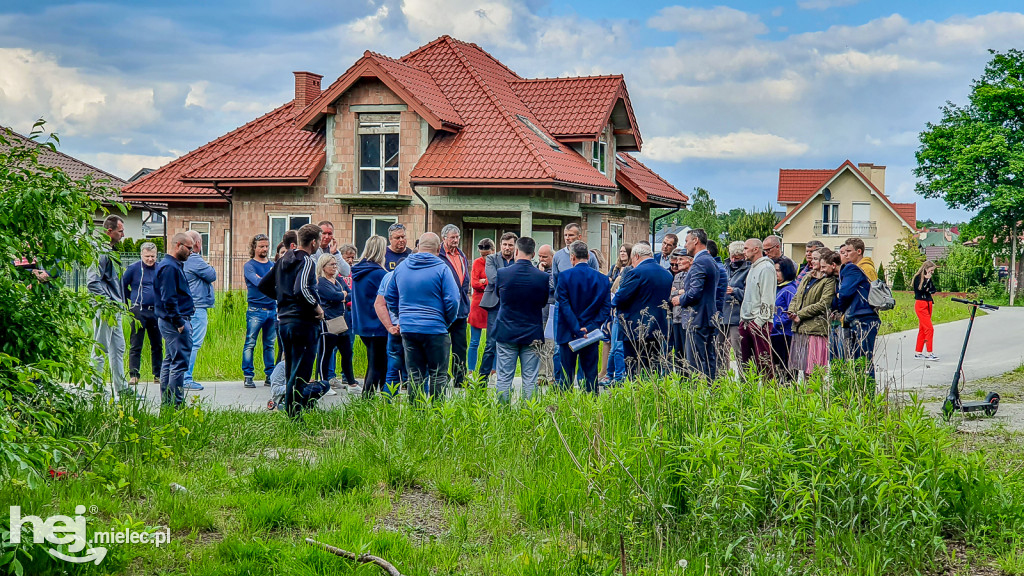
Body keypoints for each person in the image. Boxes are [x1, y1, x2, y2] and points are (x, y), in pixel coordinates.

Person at [257, 223, 328, 416]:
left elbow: (263, 285)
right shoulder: (306, 262)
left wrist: (283, 298)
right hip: (303, 323)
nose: (320, 244)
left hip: (285, 322)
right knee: (302, 372)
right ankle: (296, 416)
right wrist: (317, 307)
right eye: (320, 241)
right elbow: (302, 289)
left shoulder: (281, 260)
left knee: (291, 369)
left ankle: (290, 413)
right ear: (313, 242)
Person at [385, 233, 460, 400]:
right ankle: (436, 414)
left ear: (418, 247)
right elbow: (453, 300)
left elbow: (389, 296)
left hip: (409, 329)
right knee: (438, 374)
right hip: (435, 329)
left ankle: (416, 414)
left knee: (415, 374)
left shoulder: (401, 268)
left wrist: (402, 315)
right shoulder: (442, 268)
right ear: (439, 248)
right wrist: (446, 321)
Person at [492, 236, 550, 402]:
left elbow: (498, 295)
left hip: (506, 330)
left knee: (503, 377)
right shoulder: (542, 277)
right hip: (532, 332)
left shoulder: (503, 273)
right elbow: (543, 302)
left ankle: (503, 414)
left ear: (516, 251)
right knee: (530, 379)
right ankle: (529, 416)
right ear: (533, 254)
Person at [555, 241, 612, 394]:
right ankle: (592, 406)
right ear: (588, 256)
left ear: (572, 257)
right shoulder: (603, 279)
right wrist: (591, 327)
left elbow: (564, 305)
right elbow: (606, 308)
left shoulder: (564, 276)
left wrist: (576, 328)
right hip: (591, 334)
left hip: (568, 332)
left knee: (566, 375)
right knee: (591, 375)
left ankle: (565, 408)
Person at [88, 214, 133, 398]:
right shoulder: (101, 251)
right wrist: (107, 303)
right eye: (120, 231)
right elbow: (93, 282)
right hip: (106, 308)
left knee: (118, 347)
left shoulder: (112, 251)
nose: (123, 234)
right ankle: (96, 388)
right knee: (100, 347)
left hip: (116, 307)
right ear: (109, 231)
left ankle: (121, 386)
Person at [612, 242, 673, 378]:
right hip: (658, 327)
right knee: (653, 368)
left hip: (635, 328)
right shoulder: (667, 274)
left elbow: (621, 297)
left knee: (635, 370)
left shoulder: (636, 273)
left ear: (636, 256)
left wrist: (614, 301)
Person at [155, 232, 195, 408]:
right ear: (178, 245)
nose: (191, 252)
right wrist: (179, 323)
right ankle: (176, 404)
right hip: (175, 321)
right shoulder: (170, 267)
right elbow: (169, 298)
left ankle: (168, 403)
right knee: (178, 363)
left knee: (170, 360)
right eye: (189, 248)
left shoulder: (172, 265)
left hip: (170, 320)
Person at [835, 238, 881, 380]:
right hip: (867, 315)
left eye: (849, 251)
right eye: (844, 252)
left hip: (860, 315)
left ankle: (864, 392)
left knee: (860, 360)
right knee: (863, 359)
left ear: (859, 251)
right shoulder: (866, 267)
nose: (846, 255)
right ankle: (865, 392)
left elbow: (846, 293)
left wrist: (839, 306)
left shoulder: (857, 268)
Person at [788, 247, 837, 379]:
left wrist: (800, 314)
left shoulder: (829, 281)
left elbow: (824, 304)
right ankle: (803, 398)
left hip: (816, 330)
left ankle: (813, 398)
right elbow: (797, 296)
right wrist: (792, 311)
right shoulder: (807, 276)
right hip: (800, 328)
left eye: (815, 258)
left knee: (813, 372)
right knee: (801, 369)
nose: (812, 261)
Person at [678, 229, 720, 382]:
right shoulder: (711, 260)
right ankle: (711, 391)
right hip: (708, 316)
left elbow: (695, 292)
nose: (685, 245)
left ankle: (699, 396)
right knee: (709, 360)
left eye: (687, 241)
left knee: (695, 363)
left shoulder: (700, 261)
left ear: (695, 240)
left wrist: (680, 299)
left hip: (697, 318)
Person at [351, 236, 389, 396]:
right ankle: (369, 397)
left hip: (362, 323)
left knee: (373, 361)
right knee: (377, 363)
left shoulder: (358, 271)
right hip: (378, 324)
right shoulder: (379, 274)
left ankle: (372, 396)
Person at [122, 241, 162, 387]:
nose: (150, 259)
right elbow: (122, 284)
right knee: (136, 344)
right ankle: (134, 374)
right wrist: (129, 303)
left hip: (156, 311)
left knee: (157, 344)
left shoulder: (160, 268)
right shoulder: (133, 268)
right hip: (139, 310)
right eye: (147, 256)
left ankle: (158, 374)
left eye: (153, 256)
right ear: (141, 255)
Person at [479, 232, 518, 378]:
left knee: (511, 343)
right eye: (504, 244)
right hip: (495, 305)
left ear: (515, 246)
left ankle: (505, 377)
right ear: (500, 244)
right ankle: (482, 379)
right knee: (490, 343)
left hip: (514, 306)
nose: (507, 248)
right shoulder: (491, 258)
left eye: (510, 245)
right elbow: (493, 278)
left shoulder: (519, 260)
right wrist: (513, 281)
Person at [183, 230, 216, 392]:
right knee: (194, 343)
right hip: (198, 307)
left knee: (185, 342)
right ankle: (186, 378)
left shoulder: (182, 260)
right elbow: (212, 274)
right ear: (197, 243)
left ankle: (180, 376)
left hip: (187, 306)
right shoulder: (195, 259)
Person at [242, 234, 277, 388]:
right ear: (254, 247)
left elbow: (275, 282)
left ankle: (270, 375)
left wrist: (266, 279)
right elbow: (258, 282)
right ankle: (248, 375)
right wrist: (268, 280)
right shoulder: (249, 266)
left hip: (272, 309)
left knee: (269, 344)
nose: (264, 249)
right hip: (255, 310)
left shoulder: (273, 264)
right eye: (261, 246)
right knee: (250, 343)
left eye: (266, 246)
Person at [439, 224, 472, 387]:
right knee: (443, 345)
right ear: (443, 238)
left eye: (457, 237)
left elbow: (465, 279)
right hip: (444, 309)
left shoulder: (462, 255)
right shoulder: (438, 256)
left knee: (460, 346)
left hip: (461, 309)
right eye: (452, 237)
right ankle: (442, 376)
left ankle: (460, 378)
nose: (455, 240)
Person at [738, 238, 776, 378]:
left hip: (759, 322)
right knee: (748, 363)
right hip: (747, 320)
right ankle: (749, 393)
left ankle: (768, 393)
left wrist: (760, 322)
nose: (744, 252)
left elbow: (768, 298)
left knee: (764, 361)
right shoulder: (753, 267)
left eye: (746, 248)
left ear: (756, 249)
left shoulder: (766, 268)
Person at [315, 253, 346, 396]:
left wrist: (342, 295)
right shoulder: (321, 282)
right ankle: (322, 382)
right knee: (325, 353)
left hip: (339, 320)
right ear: (323, 266)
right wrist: (342, 295)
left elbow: (349, 293)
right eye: (331, 265)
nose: (335, 267)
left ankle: (349, 381)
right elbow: (334, 296)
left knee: (345, 351)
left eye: (335, 264)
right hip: (327, 321)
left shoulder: (338, 281)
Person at [602, 244, 632, 384]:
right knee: (614, 346)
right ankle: (611, 374)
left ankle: (617, 375)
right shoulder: (615, 268)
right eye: (620, 251)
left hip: (620, 312)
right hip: (614, 311)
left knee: (618, 346)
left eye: (625, 252)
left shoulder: (629, 270)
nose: (622, 254)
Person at [722, 241, 750, 373]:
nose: (733, 260)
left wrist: (734, 290)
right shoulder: (724, 267)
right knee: (720, 351)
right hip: (722, 316)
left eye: (737, 258)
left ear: (743, 256)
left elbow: (750, 294)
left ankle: (745, 383)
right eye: (732, 257)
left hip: (736, 317)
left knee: (739, 352)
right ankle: (721, 381)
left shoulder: (748, 269)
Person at [770, 258, 798, 382]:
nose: (775, 274)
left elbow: (793, 311)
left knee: (785, 367)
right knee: (775, 368)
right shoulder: (776, 288)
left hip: (784, 334)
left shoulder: (789, 289)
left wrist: (778, 323)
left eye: (778, 271)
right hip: (774, 333)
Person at [468, 238, 493, 375]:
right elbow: (474, 283)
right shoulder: (477, 263)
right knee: (474, 341)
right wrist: (486, 283)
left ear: (493, 251)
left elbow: (496, 281)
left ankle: (492, 370)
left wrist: (483, 281)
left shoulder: (495, 262)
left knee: (492, 341)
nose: (485, 257)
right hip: (478, 304)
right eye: (483, 254)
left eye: (487, 254)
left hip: (492, 304)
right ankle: (471, 369)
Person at [668, 248, 693, 371]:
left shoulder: (693, 274)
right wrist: (681, 292)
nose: (677, 262)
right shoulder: (678, 276)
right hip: (676, 317)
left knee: (688, 350)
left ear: (690, 260)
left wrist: (680, 293)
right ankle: (680, 378)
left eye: (681, 259)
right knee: (678, 351)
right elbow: (671, 295)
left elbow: (691, 293)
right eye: (677, 260)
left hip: (688, 317)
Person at [536, 243, 557, 384]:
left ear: (552, 257)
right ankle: (541, 374)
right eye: (539, 256)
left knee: (550, 345)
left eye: (545, 257)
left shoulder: (554, 270)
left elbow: (551, 286)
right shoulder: (537, 269)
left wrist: (541, 273)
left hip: (551, 310)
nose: (541, 259)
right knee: (540, 345)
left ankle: (551, 375)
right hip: (540, 311)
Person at [913, 261, 939, 361]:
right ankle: (929, 352)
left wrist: (928, 285)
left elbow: (933, 290)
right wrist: (926, 282)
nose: (932, 272)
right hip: (921, 304)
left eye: (933, 271)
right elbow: (920, 290)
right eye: (931, 270)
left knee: (923, 328)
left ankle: (918, 352)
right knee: (929, 328)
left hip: (928, 303)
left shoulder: (929, 278)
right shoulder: (918, 278)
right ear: (926, 268)